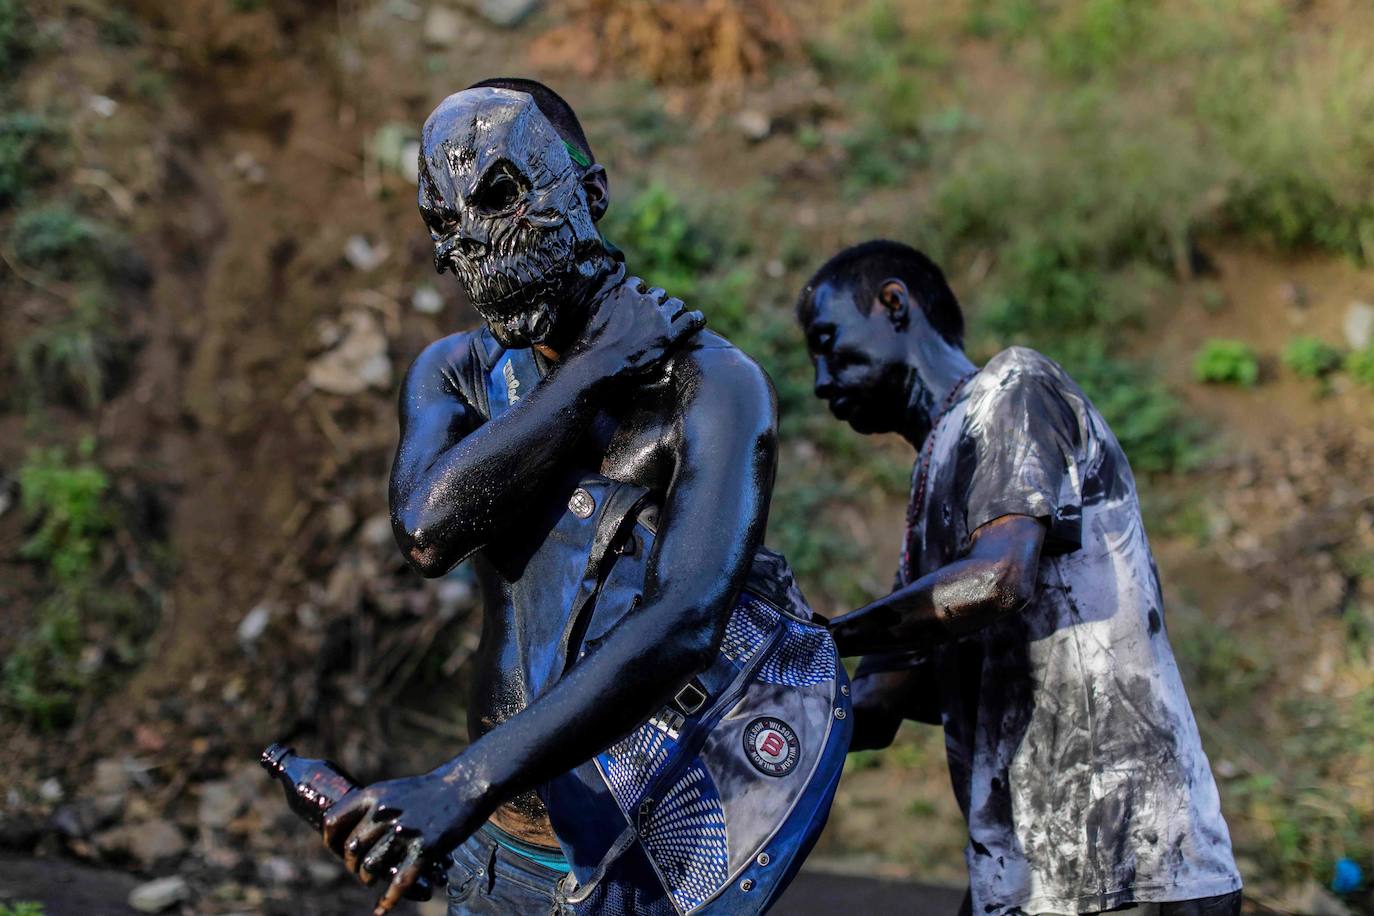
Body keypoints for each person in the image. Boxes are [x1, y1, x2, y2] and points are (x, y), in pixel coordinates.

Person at [321, 78, 816, 915]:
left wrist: (463, 781)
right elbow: (427, 530)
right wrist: (590, 373)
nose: (465, 249)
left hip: (636, 848)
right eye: (442, 222)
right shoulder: (459, 372)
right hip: (490, 833)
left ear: (592, 193)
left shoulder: (714, 387)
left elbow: (684, 622)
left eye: (501, 199)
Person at [795, 239, 1244, 916]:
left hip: (1128, 867)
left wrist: (823, 638)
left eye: (828, 342)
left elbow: (998, 580)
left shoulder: (1012, 390)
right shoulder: (934, 485)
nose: (822, 382)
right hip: (1027, 879)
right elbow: (879, 704)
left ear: (894, 304)